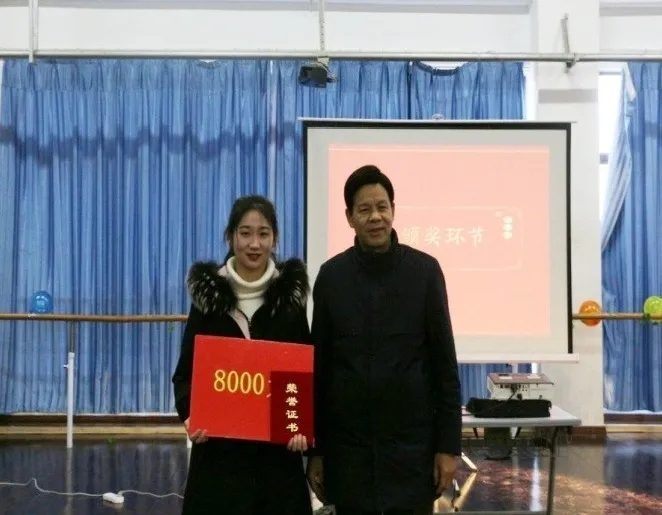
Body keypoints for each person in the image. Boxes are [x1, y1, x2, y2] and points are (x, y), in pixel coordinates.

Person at [306, 165, 462, 515]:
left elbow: (444, 366)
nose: (375, 217)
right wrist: (316, 451)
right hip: (349, 457)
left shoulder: (424, 272)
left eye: (382, 207)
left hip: (411, 455)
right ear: (349, 217)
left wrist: (448, 447)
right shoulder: (332, 278)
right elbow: (320, 371)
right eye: (364, 209)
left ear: (393, 209)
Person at [172, 195, 314, 515]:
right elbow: (185, 373)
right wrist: (191, 414)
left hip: (276, 463)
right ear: (230, 236)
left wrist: (299, 424)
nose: (254, 244)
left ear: (275, 238)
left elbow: (302, 372)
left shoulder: (290, 300)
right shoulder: (208, 297)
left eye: (263, 233)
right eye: (245, 233)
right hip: (220, 459)